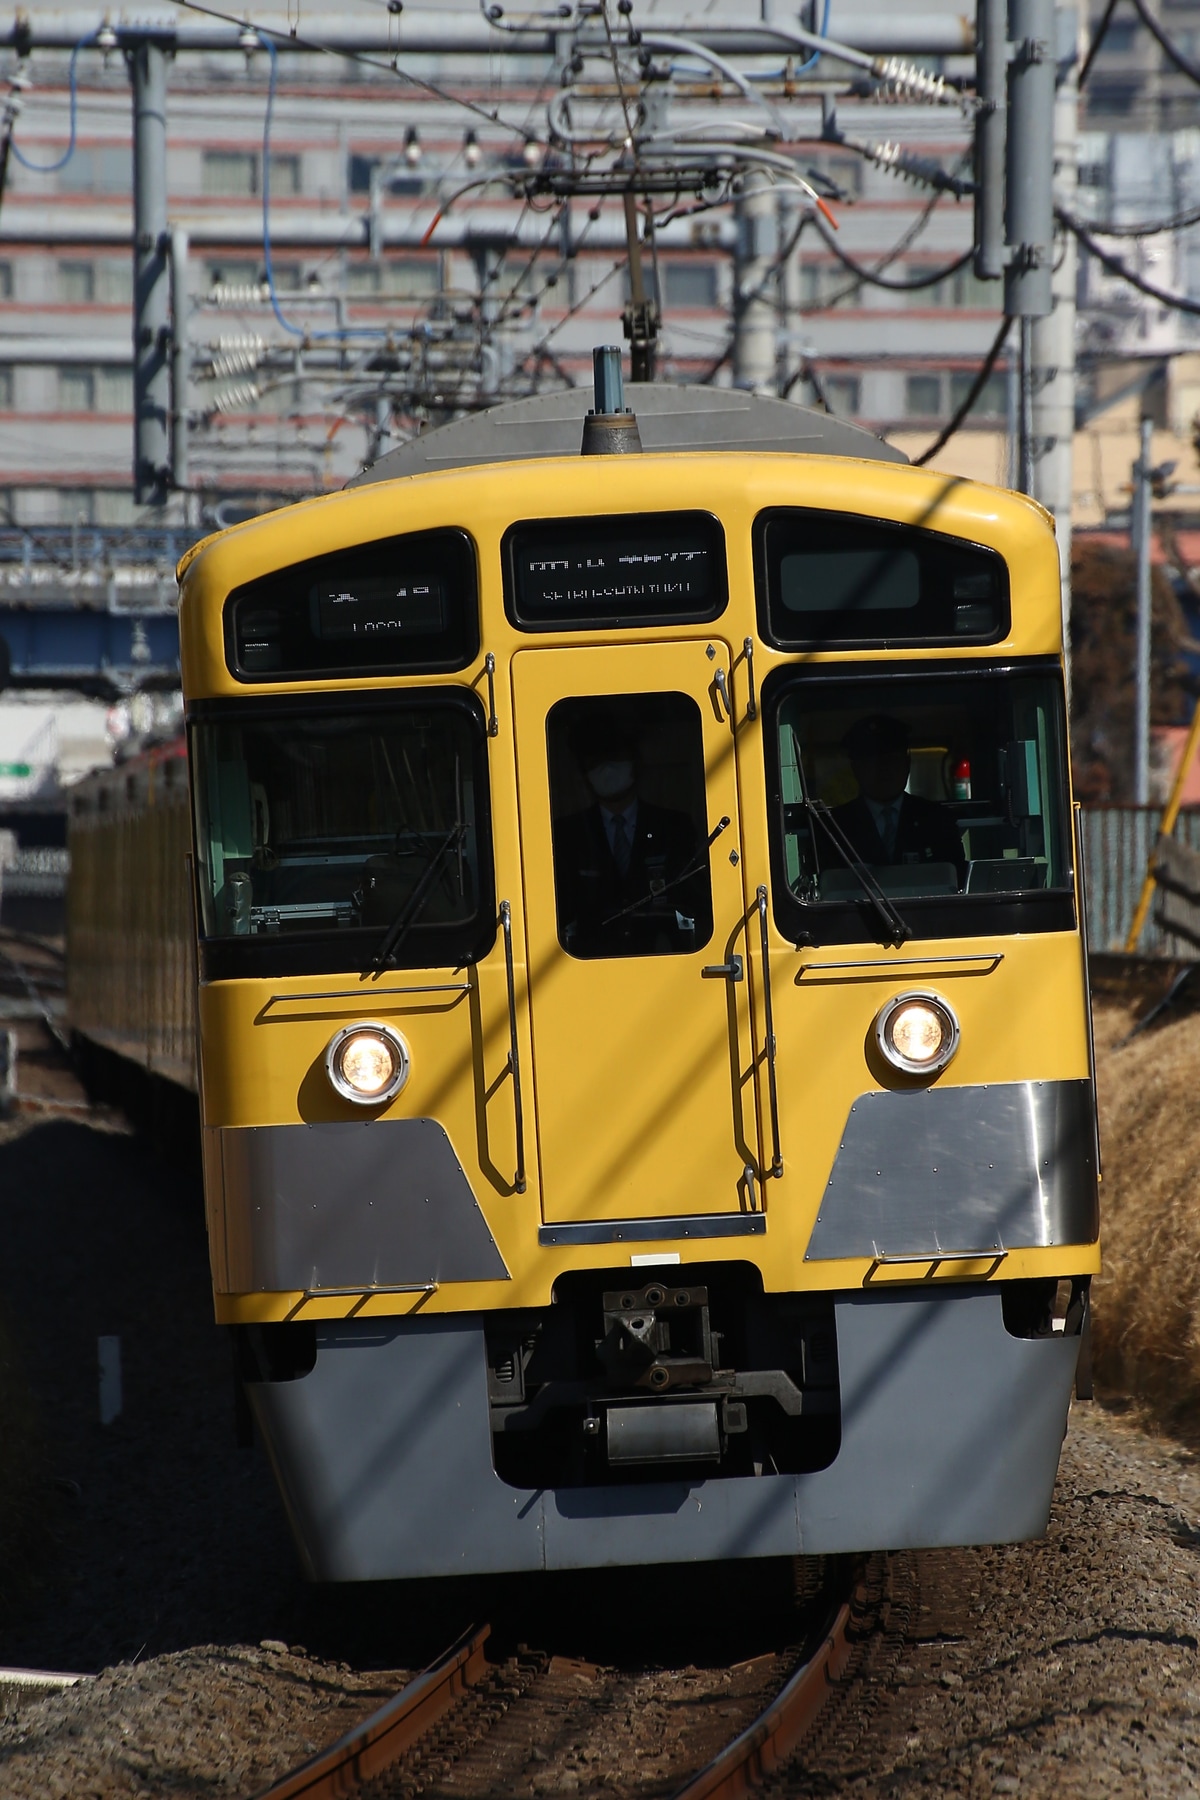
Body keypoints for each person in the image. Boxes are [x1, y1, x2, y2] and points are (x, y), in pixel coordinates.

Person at [552, 719, 710, 956]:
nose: (606, 769)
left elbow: (694, 900)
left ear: (635, 764)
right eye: (595, 762)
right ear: (583, 773)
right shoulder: (567, 834)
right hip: (588, 962)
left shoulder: (674, 827)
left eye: (615, 758)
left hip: (664, 957)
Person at [829, 713, 966, 886]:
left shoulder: (937, 820)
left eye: (892, 760)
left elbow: (957, 881)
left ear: (907, 764)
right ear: (856, 768)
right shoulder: (835, 826)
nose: (884, 770)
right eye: (873, 762)